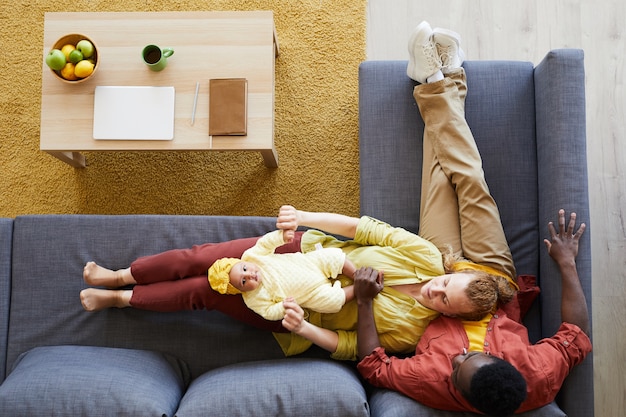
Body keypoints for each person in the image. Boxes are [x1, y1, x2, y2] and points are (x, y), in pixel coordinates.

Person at [80, 22, 520, 362]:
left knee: (206, 293)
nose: (434, 292)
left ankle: (121, 299)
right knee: (201, 257)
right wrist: (305, 217)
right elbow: (360, 228)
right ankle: (121, 275)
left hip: (289, 306)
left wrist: (303, 327)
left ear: (451, 317)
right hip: (302, 249)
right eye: (445, 283)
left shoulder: (412, 331)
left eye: (443, 300)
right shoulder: (425, 256)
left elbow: (348, 347)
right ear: (449, 271)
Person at [351, 20, 592, 416]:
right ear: (506, 364)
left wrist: (363, 303)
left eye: (457, 367)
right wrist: (566, 263)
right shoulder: (538, 376)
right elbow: (576, 334)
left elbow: (373, 366)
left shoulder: (433, 380)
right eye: (468, 357)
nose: (459, 357)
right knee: (471, 182)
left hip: (440, 274)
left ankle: (442, 77)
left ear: (459, 395)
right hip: (492, 282)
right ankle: (439, 78)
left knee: (439, 179)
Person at [206, 228, 357, 320]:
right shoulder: (252, 300)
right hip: (311, 294)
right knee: (332, 303)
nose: (250, 275)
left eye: (245, 269)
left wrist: (281, 237)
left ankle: (357, 275)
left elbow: (265, 243)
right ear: (241, 291)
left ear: (242, 262)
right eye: (244, 282)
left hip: (310, 265)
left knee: (332, 256)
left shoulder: (252, 256)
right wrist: (283, 307)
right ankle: (358, 289)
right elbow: (268, 312)